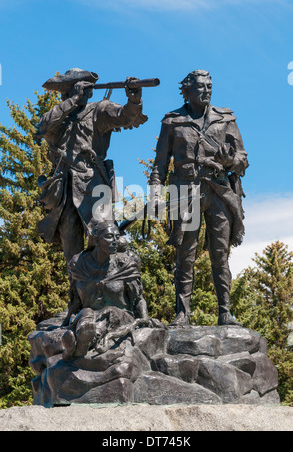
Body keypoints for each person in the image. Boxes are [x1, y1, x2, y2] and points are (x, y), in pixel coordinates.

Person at [36, 68, 148, 320]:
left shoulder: (99, 109)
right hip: (64, 188)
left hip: (94, 185)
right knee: (71, 247)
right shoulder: (60, 113)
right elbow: (42, 127)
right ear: (69, 90)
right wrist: (73, 101)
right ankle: (75, 302)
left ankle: (126, 300)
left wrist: (134, 98)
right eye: (75, 87)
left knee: (109, 240)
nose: (82, 90)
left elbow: (127, 117)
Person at [150, 69, 249, 326]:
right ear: (187, 90)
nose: (206, 91)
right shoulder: (172, 122)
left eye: (209, 86)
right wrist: (154, 195)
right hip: (185, 193)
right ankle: (183, 313)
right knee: (186, 256)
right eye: (200, 87)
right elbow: (160, 165)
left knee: (220, 254)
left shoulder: (225, 119)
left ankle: (225, 312)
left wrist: (231, 160)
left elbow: (243, 158)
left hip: (219, 191)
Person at [62, 220, 150, 359]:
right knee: (86, 312)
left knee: (109, 311)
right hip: (89, 316)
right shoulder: (78, 264)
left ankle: (79, 345)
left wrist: (145, 319)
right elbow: (76, 301)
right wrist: (67, 320)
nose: (115, 241)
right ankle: (81, 337)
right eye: (109, 237)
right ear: (96, 239)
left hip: (121, 317)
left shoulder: (125, 265)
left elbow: (138, 299)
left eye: (117, 237)